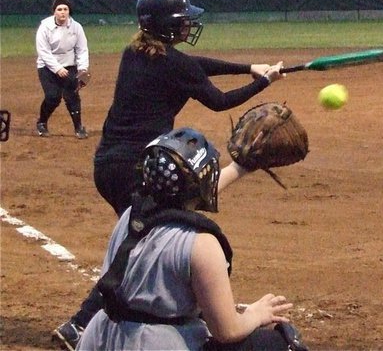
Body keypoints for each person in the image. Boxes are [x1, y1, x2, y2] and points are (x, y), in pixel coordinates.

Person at [53, 0, 287, 349]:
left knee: (138, 238)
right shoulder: (173, 63)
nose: (187, 25)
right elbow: (218, 100)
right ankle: (84, 322)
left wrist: (248, 67)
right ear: (167, 27)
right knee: (147, 236)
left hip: (109, 163)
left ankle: (84, 323)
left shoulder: (136, 51)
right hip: (140, 167)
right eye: (182, 20)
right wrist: (263, 83)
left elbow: (195, 67)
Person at [75, 127, 307, 351]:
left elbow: (183, 196)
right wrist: (257, 314)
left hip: (101, 338)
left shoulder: (131, 216)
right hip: (155, 344)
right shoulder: (201, 244)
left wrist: (239, 167)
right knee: (279, 342)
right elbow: (227, 331)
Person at [35, 0, 90, 139]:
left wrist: (83, 70)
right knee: (53, 97)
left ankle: (79, 127)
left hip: (69, 65)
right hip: (47, 67)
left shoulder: (76, 27)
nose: (63, 12)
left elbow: (82, 49)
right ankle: (42, 123)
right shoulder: (45, 27)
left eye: (65, 9)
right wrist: (57, 68)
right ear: (54, 12)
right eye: (59, 9)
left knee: (72, 96)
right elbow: (43, 52)